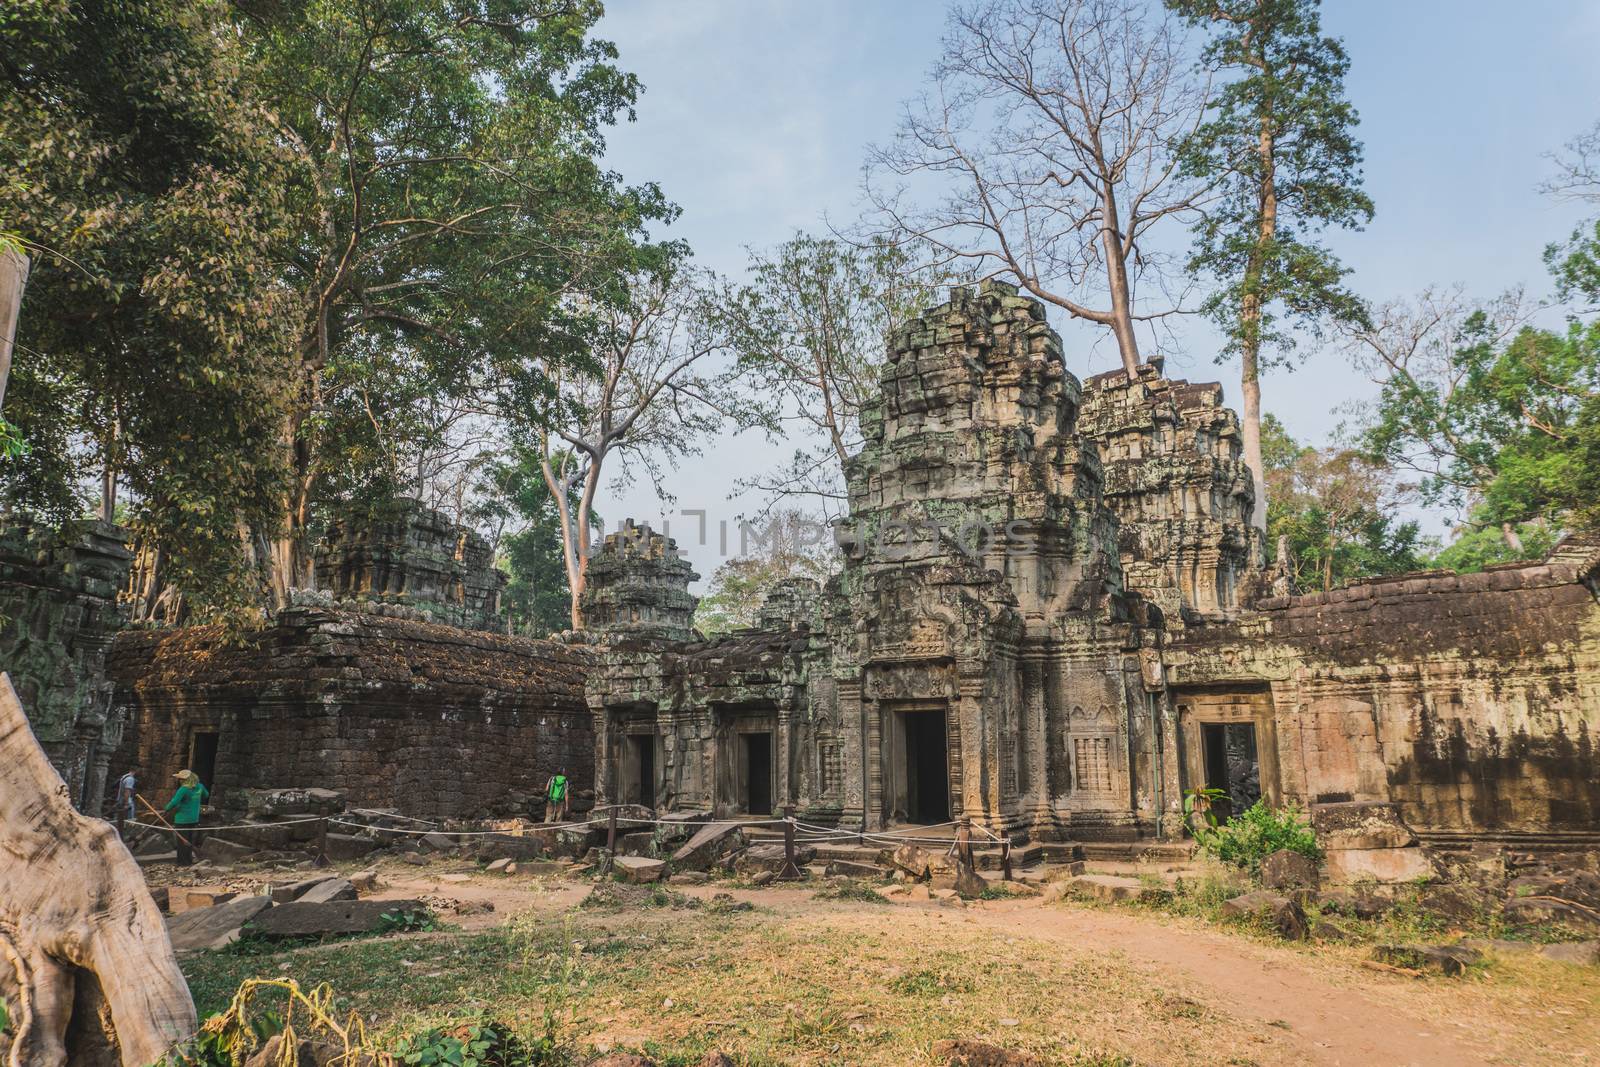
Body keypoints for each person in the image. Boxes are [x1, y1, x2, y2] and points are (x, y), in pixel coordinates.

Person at [165, 769, 208, 865]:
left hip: (182, 819)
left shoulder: (183, 789)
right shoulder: (200, 786)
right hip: (194, 819)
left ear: (184, 780)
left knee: (182, 842)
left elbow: (174, 802)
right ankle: (189, 860)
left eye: (180, 779)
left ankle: (182, 862)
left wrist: (166, 808)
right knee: (189, 840)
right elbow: (206, 795)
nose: (179, 781)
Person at [113, 769, 137, 836]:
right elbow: (127, 791)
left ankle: (116, 830)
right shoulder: (130, 779)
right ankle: (128, 833)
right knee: (130, 819)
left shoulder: (124, 777)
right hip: (126, 800)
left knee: (118, 817)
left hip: (120, 799)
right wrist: (126, 803)